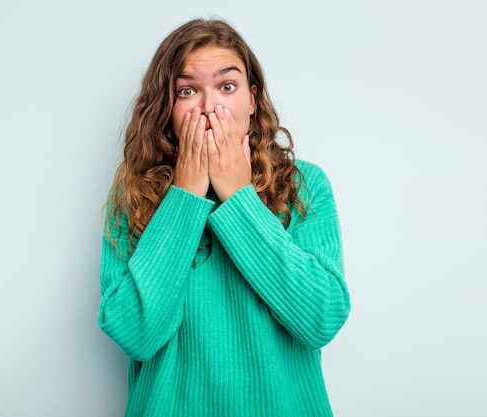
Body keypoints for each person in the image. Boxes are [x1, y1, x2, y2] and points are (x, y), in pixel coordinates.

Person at [98, 18, 350, 417]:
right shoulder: (133, 196)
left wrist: (238, 197)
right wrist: (185, 195)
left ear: (252, 101)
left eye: (227, 86)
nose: (209, 107)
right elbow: (134, 333)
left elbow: (320, 320)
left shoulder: (306, 185)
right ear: (167, 108)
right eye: (187, 91)